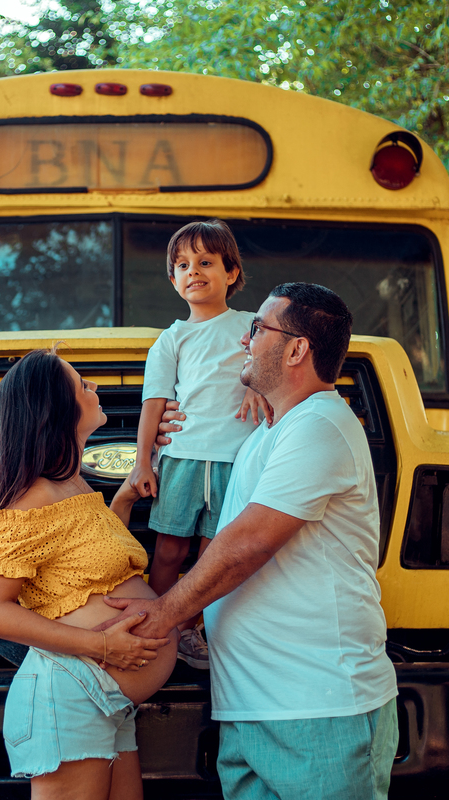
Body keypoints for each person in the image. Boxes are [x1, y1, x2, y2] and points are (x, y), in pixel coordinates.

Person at [105, 283, 399, 800]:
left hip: (318, 709)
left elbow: (247, 545)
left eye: (258, 328)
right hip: (250, 708)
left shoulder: (320, 427)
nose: (243, 338)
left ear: (296, 349)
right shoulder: (270, 431)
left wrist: (162, 615)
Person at [0, 349, 177, 799]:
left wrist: (121, 501)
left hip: (104, 697)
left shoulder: (72, 485)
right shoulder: (34, 498)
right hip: (71, 694)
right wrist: (102, 645)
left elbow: (85, 567)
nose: (95, 388)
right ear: (54, 407)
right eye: (82, 384)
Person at [128, 219, 271, 669]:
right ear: (173, 280)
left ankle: (191, 630)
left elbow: (267, 367)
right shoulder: (172, 338)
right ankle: (154, 621)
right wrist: (142, 463)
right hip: (183, 458)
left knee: (212, 555)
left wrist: (256, 384)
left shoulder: (254, 326)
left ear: (231, 273)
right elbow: (153, 404)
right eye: (183, 265)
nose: (194, 271)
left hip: (235, 460)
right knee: (169, 549)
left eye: (206, 262)